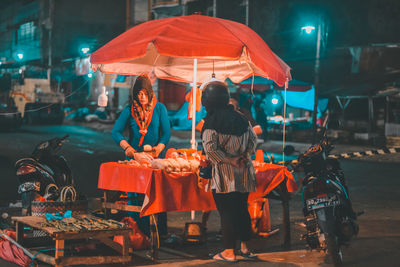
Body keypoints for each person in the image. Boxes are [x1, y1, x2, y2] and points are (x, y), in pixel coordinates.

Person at [201, 81, 257, 262]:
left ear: (209, 101)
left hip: (225, 173)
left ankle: (228, 252)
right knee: (241, 208)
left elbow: (210, 150)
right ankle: (245, 249)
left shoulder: (211, 121)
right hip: (244, 170)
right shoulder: (242, 118)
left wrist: (230, 160)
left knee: (226, 211)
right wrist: (244, 156)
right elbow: (253, 141)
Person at [112, 75, 171, 237]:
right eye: (139, 93)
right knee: (135, 196)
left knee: (158, 194)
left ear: (150, 93)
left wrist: (159, 147)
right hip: (136, 160)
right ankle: (138, 233)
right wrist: (129, 150)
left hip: (155, 160)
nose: (142, 97)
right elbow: (116, 132)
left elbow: (166, 133)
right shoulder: (129, 110)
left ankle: (161, 234)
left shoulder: (160, 108)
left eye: (145, 93)